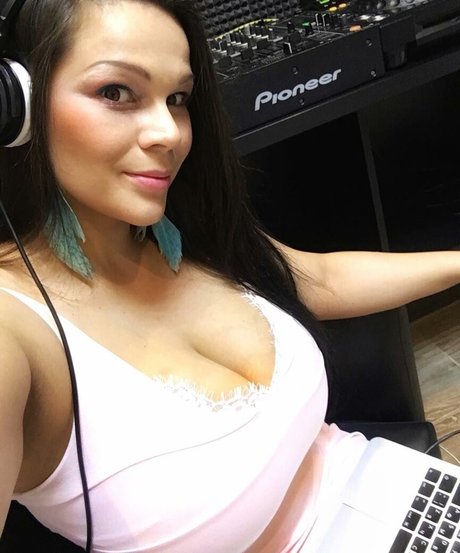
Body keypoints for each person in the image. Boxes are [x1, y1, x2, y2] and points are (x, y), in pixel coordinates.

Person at [0, 0, 460, 551]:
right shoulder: (12, 329)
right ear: (17, 111)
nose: (168, 132)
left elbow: (318, 279)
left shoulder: (180, 229)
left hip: (395, 492)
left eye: (177, 99)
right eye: (116, 92)